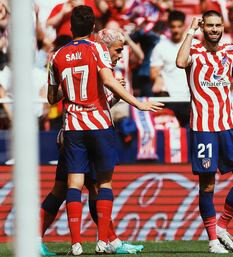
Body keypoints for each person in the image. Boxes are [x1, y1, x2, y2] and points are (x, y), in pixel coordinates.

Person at [47, 6, 162, 255]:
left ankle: (76, 243)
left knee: (72, 185)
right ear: (92, 29)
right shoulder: (97, 49)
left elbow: (51, 98)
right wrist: (139, 103)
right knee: (103, 184)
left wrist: (71, 90)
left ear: (70, 27)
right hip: (98, 125)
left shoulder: (57, 56)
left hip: (73, 126)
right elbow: (107, 81)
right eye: (119, 50)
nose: (120, 54)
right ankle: (103, 241)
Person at [176, 10, 233, 253]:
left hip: (228, 126)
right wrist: (190, 31)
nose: (215, 29)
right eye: (209, 25)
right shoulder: (195, 50)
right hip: (203, 128)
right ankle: (211, 241)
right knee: (207, 186)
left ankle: (221, 226)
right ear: (203, 27)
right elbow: (180, 62)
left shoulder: (231, 50)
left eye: (218, 25)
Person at [150, 10, 191, 126]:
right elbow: (153, 72)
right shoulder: (161, 47)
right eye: (173, 27)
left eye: (179, 26)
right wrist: (158, 78)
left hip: (189, 98)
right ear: (168, 27)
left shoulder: (194, 45)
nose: (176, 30)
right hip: (169, 99)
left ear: (185, 26)